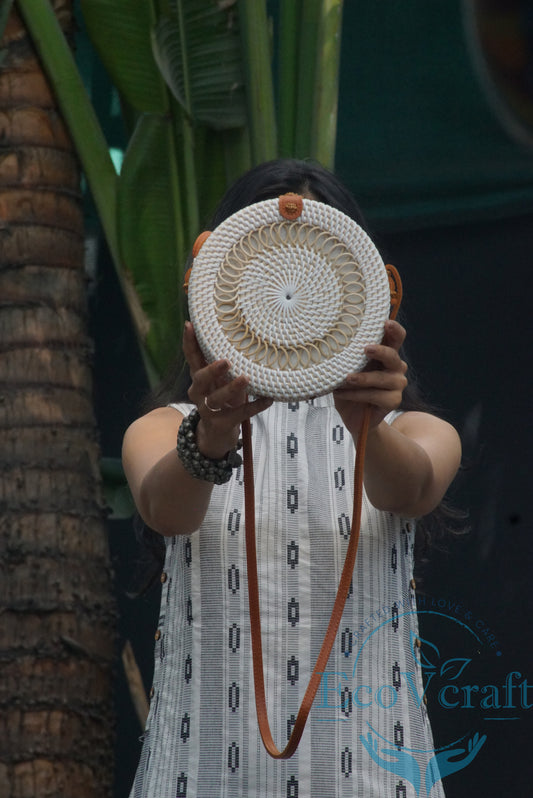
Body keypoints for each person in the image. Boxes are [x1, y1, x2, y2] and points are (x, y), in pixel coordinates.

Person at [122, 159, 462, 798]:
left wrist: (369, 424)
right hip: (199, 778)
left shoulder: (419, 432)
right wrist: (213, 432)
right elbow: (165, 508)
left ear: (373, 286)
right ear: (211, 283)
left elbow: (408, 489)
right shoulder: (163, 428)